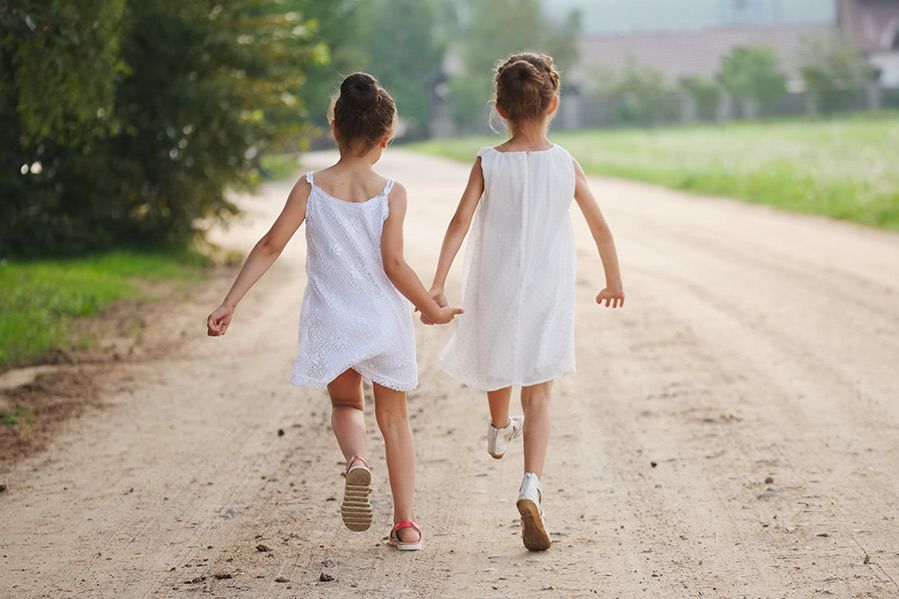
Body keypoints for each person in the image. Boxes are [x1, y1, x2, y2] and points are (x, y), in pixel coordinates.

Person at [207, 72, 461, 551]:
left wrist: (230, 301)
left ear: (334, 128)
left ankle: (356, 463)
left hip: (332, 320)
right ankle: (406, 525)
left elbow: (269, 245)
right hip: (383, 322)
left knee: (346, 405)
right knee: (396, 420)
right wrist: (430, 308)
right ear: (386, 139)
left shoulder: (310, 187)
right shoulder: (392, 192)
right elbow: (394, 263)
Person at [425, 52, 624, 551]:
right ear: (553, 104)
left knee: (498, 364)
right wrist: (613, 280)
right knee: (540, 393)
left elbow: (458, 223)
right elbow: (600, 226)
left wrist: (437, 283)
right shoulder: (564, 162)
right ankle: (531, 483)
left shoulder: (488, 161)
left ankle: (497, 428)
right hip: (546, 289)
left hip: (494, 283)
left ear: (501, 108)